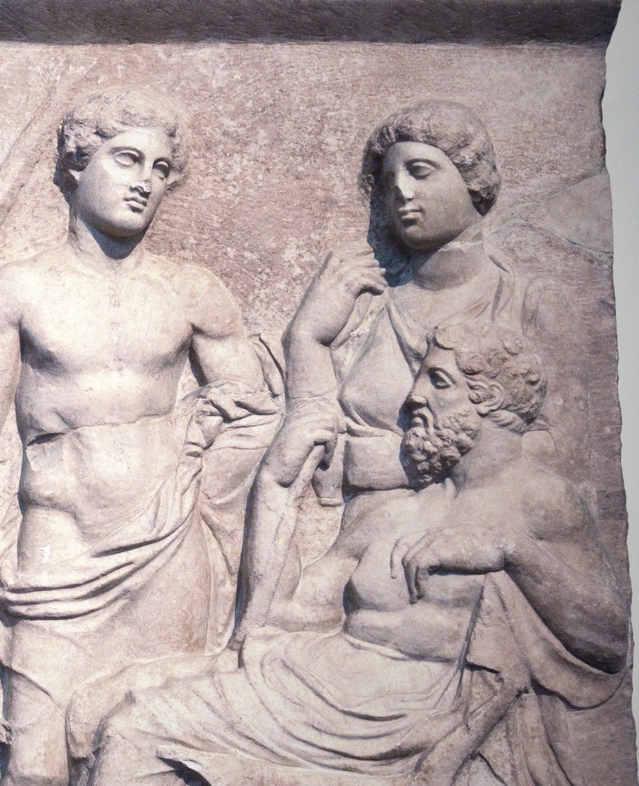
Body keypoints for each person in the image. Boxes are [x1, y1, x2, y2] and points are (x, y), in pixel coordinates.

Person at [71, 321, 627, 786]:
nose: (414, 398)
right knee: (103, 710)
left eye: (438, 381)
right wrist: (276, 488)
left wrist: (511, 550)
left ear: (491, 399)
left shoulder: (542, 501)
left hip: (400, 719)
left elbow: (607, 643)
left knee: (134, 733)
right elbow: (285, 612)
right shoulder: (398, 509)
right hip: (319, 684)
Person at [0, 87, 278, 786]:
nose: (145, 182)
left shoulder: (192, 290)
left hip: (168, 547)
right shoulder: (19, 289)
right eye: (126, 159)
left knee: (149, 759)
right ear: (76, 164)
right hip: (56, 551)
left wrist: (200, 441)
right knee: (34, 769)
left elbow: (253, 413)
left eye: (160, 168)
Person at [284, 100, 542, 503]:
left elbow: (553, 449)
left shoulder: (525, 303)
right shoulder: (366, 300)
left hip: (472, 530)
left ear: (472, 179)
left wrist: (377, 462)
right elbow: (314, 456)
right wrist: (306, 337)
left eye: (420, 172)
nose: (402, 191)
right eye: (389, 182)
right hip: (360, 531)